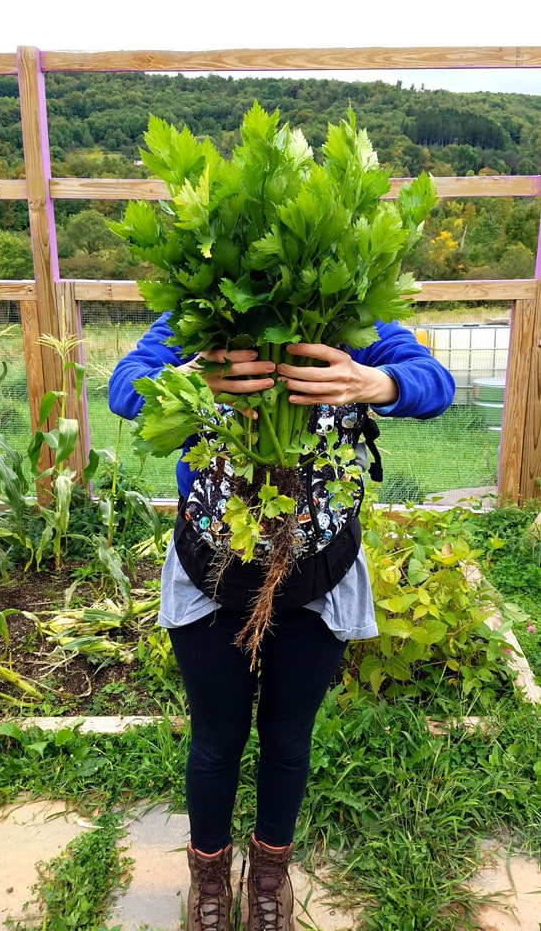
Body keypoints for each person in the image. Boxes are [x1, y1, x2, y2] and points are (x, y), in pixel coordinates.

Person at [108, 313, 455, 931]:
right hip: (213, 565)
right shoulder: (199, 317)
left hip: (316, 567)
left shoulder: (346, 318)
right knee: (215, 739)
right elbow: (124, 385)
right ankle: (209, 878)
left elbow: (435, 381)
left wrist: (371, 383)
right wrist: (191, 381)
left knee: (289, 737)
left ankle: (270, 873)